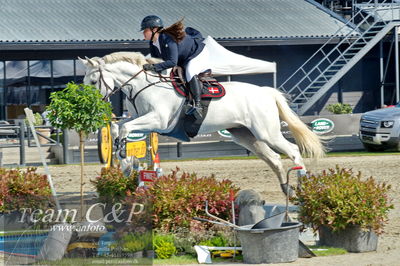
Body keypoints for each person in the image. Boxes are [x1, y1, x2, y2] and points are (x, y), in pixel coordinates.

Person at [140, 15, 209, 119]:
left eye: (145, 30)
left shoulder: (168, 38)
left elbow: (172, 62)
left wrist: (153, 66)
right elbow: (158, 62)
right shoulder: (153, 43)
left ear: (154, 29)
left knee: (190, 71)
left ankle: (198, 105)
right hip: (182, 58)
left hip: (197, 53)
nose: (143, 33)